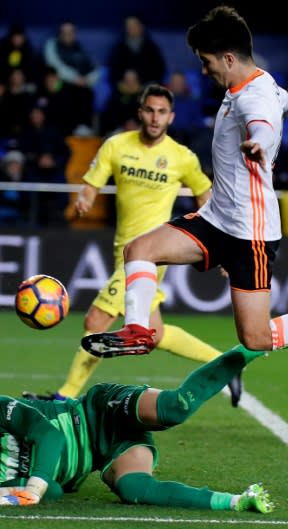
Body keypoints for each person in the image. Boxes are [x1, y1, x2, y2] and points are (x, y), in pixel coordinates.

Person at [81, 6, 288, 363]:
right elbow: (282, 99)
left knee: (257, 337)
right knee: (139, 251)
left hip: (250, 231)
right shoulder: (252, 83)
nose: (204, 69)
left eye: (206, 61)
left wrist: (260, 141)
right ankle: (138, 331)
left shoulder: (253, 97)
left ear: (229, 58)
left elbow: (262, 120)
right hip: (217, 219)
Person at [23, 83, 243, 405]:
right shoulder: (116, 146)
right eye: (150, 111)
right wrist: (85, 197)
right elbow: (92, 183)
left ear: (171, 117)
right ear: (140, 113)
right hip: (123, 251)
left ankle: (64, 398)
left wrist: (219, 245)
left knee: (96, 321)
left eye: (162, 112)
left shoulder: (181, 157)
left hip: (153, 254)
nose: (155, 118)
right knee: (154, 333)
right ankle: (226, 363)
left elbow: (205, 196)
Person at [0, 345, 274, 513]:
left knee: (175, 409)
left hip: (99, 411)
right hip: (105, 454)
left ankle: (244, 351)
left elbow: (47, 434)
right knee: (133, 490)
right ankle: (237, 501)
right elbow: (51, 492)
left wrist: (30, 485)